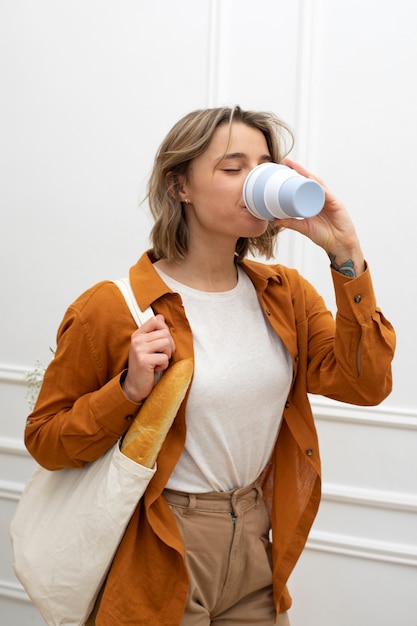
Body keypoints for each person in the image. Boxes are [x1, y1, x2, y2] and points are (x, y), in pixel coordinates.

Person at [24, 106, 395, 625]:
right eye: (233, 166)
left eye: (265, 165)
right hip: (159, 542)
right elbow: (46, 441)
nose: (257, 180)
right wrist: (128, 391)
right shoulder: (111, 308)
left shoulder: (284, 294)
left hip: (254, 539)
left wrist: (346, 252)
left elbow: (366, 384)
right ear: (181, 186)